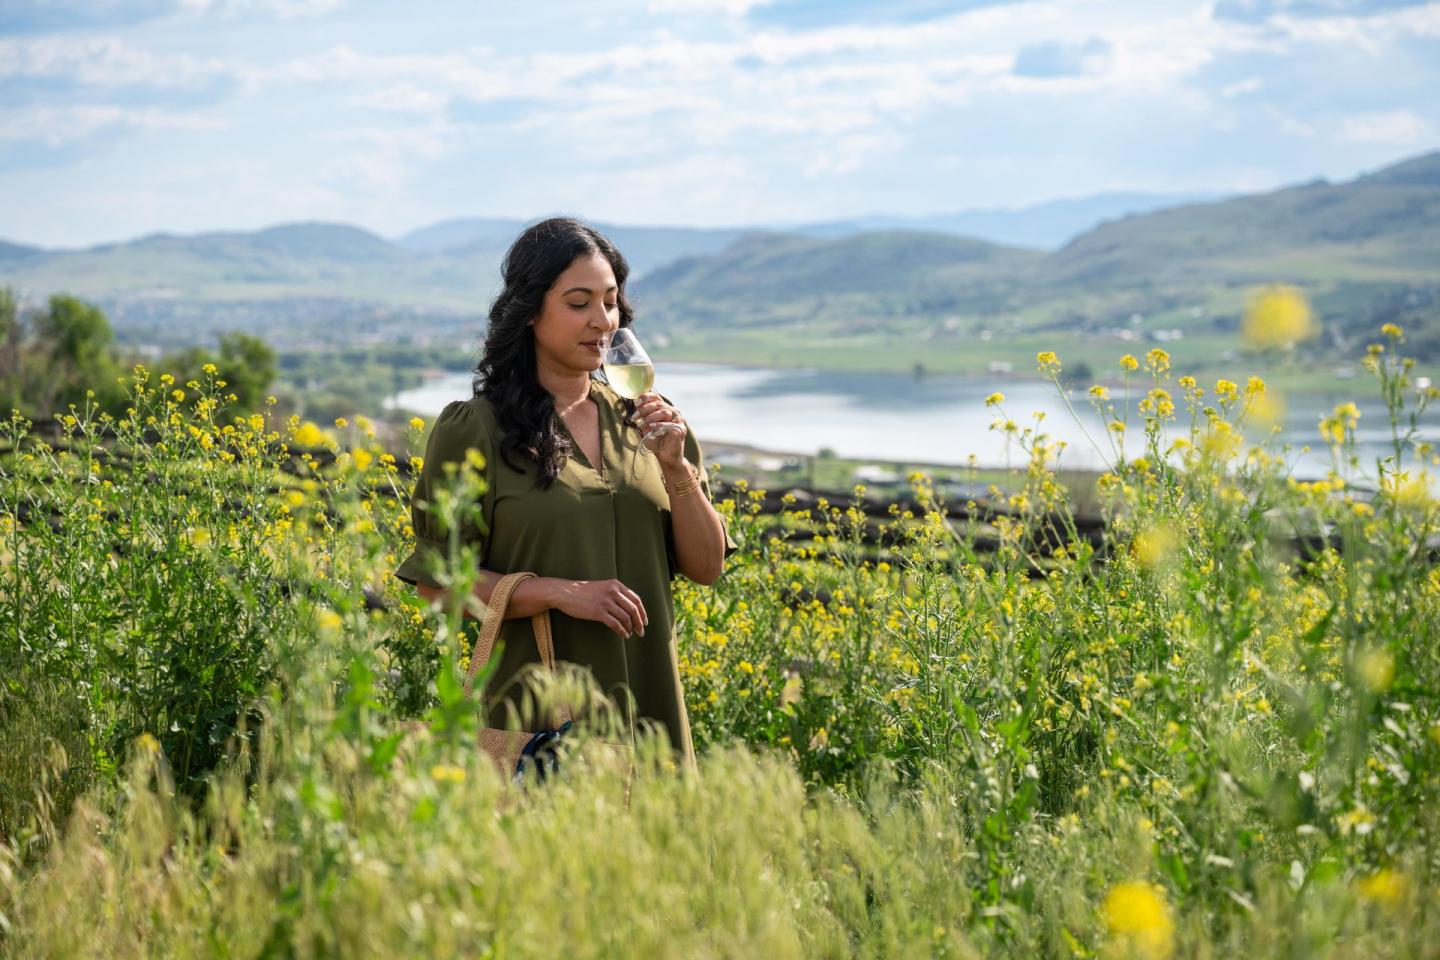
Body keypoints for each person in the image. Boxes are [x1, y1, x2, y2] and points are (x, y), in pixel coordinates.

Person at [395, 217, 736, 768]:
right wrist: (558, 592)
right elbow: (438, 588)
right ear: (531, 310)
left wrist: (676, 470)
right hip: (539, 723)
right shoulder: (475, 429)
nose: (602, 322)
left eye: (611, 303)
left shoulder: (647, 420)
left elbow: (706, 567)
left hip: (651, 711)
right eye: (579, 303)